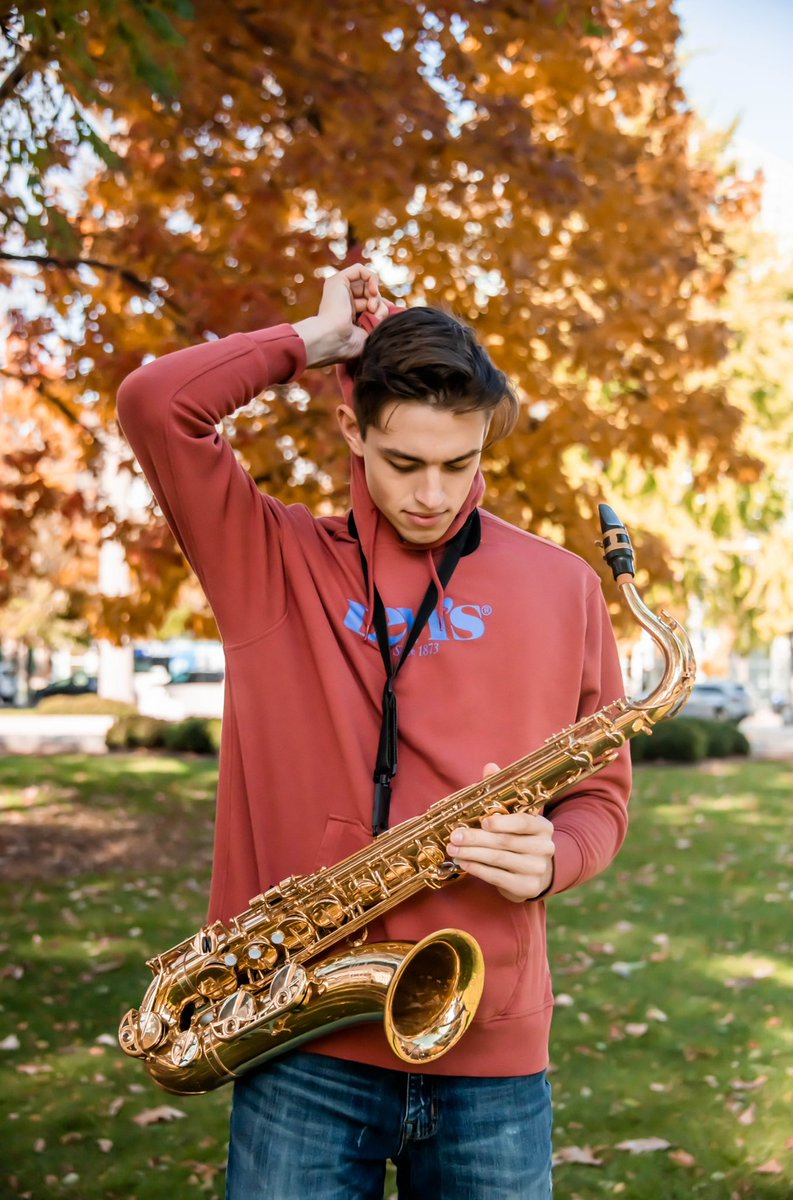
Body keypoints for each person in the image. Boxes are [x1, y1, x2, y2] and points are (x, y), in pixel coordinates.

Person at [117, 263, 631, 1199]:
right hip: (301, 1040)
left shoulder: (564, 587)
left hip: (493, 1051)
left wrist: (557, 856)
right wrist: (314, 343)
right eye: (404, 463)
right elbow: (157, 404)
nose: (433, 494)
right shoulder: (269, 558)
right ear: (350, 428)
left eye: (460, 462)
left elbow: (601, 792)